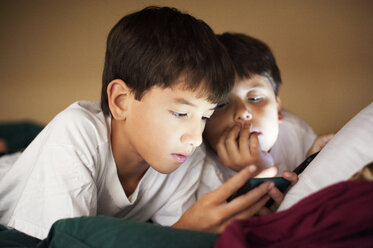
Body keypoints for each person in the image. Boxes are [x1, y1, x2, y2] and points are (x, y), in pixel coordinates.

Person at [0, 7, 282, 240]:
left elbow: (178, 238)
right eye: (181, 114)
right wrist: (186, 229)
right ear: (121, 101)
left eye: (205, 116)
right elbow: (67, 240)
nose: (195, 138)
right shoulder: (76, 132)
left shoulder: (184, 157)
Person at [197, 32, 333, 199]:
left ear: (277, 110)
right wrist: (254, 172)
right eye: (221, 104)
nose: (242, 113)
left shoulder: (297, 136)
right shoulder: (195, 159)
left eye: (255, 98)